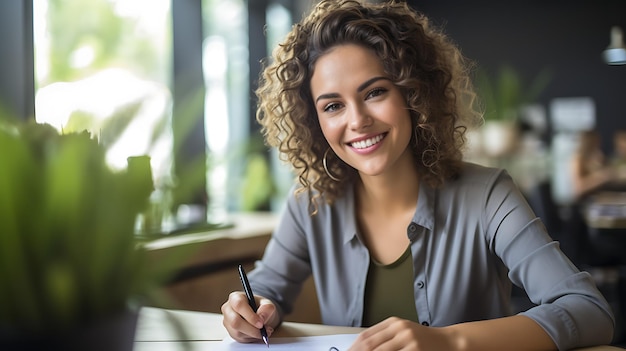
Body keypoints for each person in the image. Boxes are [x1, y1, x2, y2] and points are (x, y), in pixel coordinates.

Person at [221, 1, 615, 350]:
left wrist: (449, 340)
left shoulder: (488, 195)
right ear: (314, 121)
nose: (357, 121)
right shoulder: (309, 205)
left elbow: (589, 311)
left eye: (375, 92)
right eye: (333, 106)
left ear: (413, 93)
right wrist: (252, 310)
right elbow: (267, 291)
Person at [569, 129, 614, 201]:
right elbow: (579, 188)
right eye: (595, 142)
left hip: (601, 197)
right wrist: (601, 176)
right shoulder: (578, 159)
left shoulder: (597, 156)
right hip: (584, 201)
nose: (598, 144)